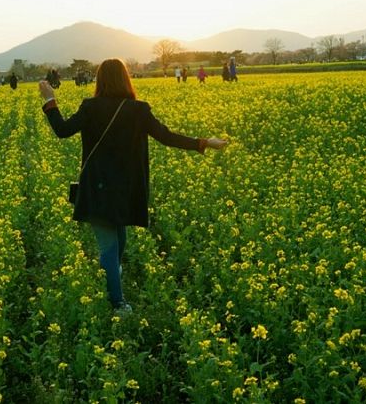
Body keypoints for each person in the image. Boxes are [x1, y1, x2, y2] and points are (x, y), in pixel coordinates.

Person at [38, 58, 228, 314]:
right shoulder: (138, 110)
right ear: (125, 78)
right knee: (112, 246)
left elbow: (61, 130)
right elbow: (167, 137)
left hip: (98, 188)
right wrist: (204, 142)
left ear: (100, 80)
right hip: (126, 190)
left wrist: (49, 99)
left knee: (114, 245)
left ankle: (113, 292)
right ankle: (117, 302)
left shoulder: (91, 107)